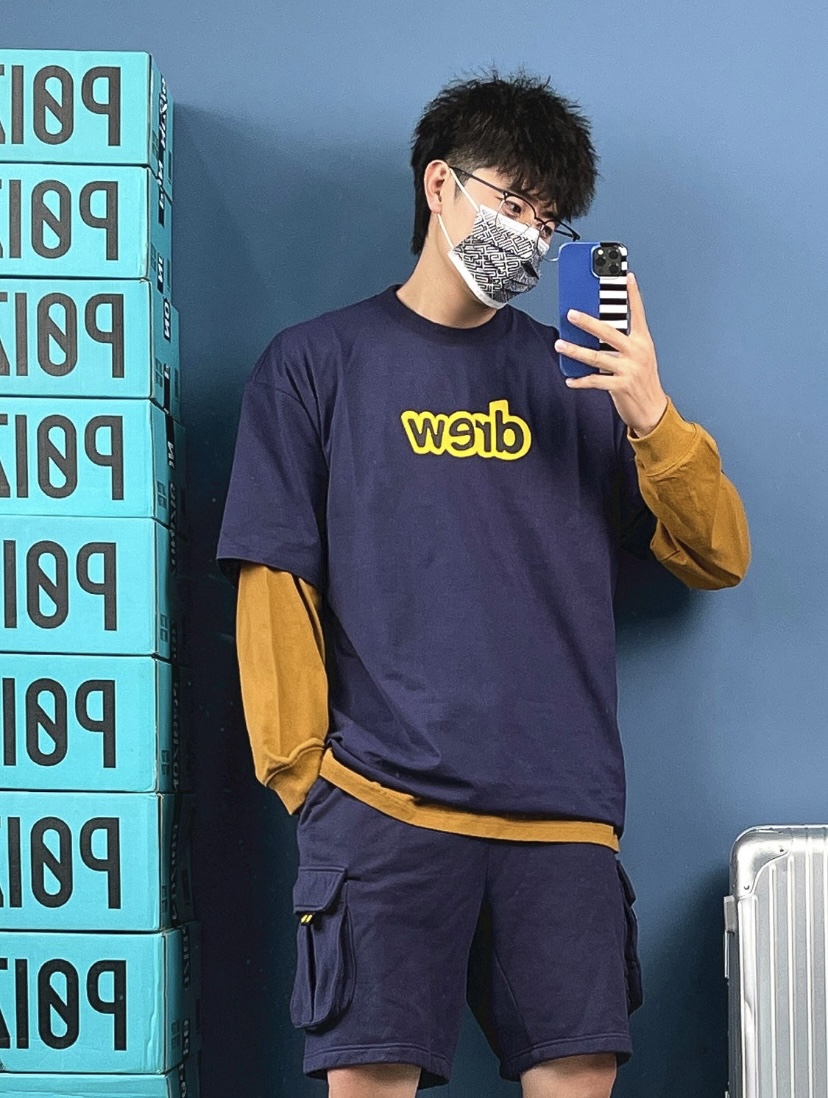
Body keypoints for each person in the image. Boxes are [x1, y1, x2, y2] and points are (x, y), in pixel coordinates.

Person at [216, 67, 750, 1098]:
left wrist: (649, 411)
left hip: (562, 821)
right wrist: (307, 780)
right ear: (439, 185)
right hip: (381, 808)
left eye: (550, 221)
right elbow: (275, 577)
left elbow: (717, 553)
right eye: (514, 202)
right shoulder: (316, 364)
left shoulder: (582, 382)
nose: (530, 236)